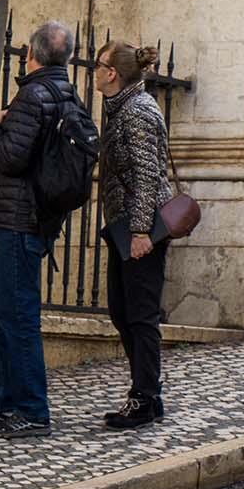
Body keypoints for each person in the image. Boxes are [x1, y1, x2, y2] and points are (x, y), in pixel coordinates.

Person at [0, 21, 87, 438]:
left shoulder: (32, 96)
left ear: (32, 54)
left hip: (20, 220)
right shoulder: (69, 95)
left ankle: (32, 410)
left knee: (16, 315)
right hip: (38, 219)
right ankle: (3, 404)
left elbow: (9, 156)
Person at [92, 41, 174, 430]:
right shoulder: (121, 108)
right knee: (122, 312)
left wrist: (142, 231)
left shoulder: (137, 112)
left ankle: (145, 397)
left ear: (112, 74)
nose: (93, 70)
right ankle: (146, 392)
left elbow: (146, 175)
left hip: (140, 228)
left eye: (98, 64)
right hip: (124, 225)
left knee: (140, 316)